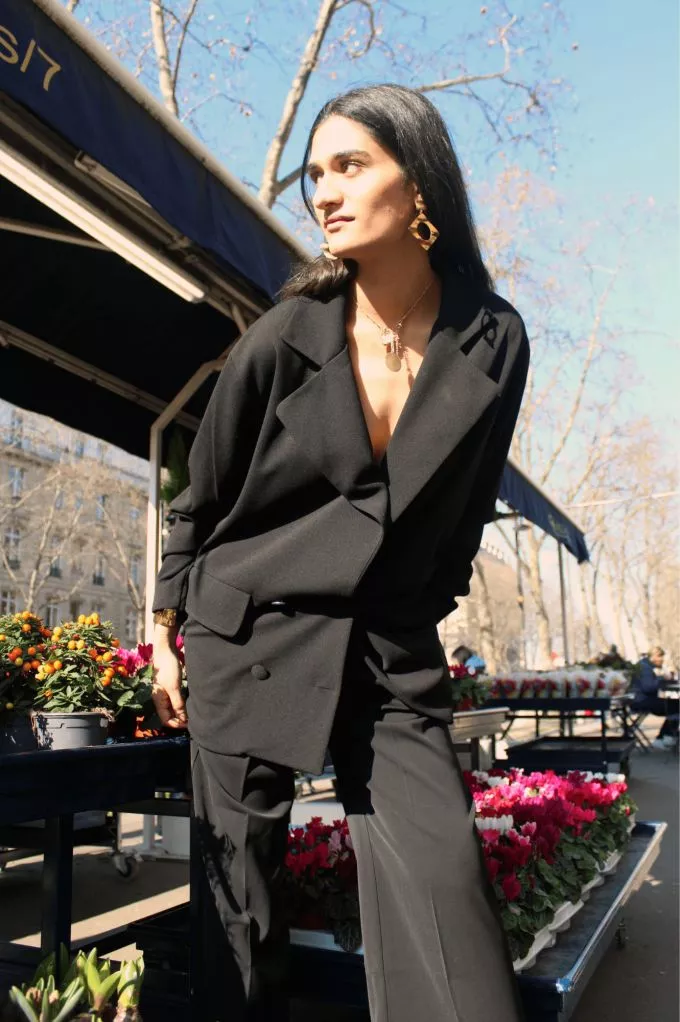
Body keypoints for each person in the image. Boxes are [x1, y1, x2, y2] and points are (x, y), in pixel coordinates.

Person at [151, 83, 529, 1022]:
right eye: (314, 174)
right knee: (241, 923)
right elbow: (201, 498)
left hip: (387, 645)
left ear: (421, 181)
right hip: (250, 631)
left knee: (447, 897)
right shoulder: (285, 335)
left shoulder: (493, 339)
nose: (323, 192)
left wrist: (419, 608)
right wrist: (164, 633)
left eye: (350, 166)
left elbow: (466, 510)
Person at [631, 646, 679, 750]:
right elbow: (648, 687)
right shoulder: (645, 668)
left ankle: (668, 736)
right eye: (660, 657)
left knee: (675, 705)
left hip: (642, 700)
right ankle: (665, 737)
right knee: (676, 706)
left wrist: (663, 680)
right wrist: (662, 679)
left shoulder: (643, 665)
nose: (662, 660)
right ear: (653, 657)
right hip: (643, 701)